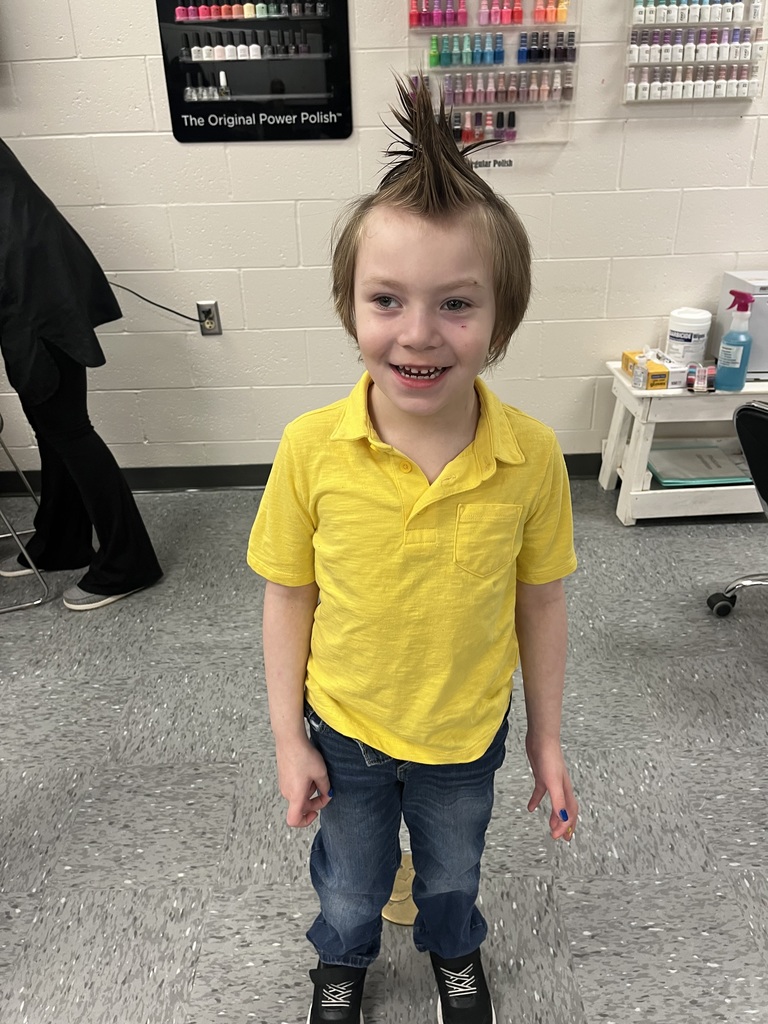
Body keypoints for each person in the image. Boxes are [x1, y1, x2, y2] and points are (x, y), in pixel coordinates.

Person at [247, 76, 579, 1024]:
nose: (419, 334)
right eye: (387, 299)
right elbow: (288, 595)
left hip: (463, 734)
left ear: (502, 319)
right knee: (350, 880)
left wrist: (547, 740)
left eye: (457, 304)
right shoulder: (311, 449)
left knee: (453, 871)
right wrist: (288, 739)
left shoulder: (531, 457)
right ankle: (342, 960)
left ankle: (455, 951)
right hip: (346, 725)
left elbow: (542, 600)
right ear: (349, 307)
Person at [0, 139, 162, 610]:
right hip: (28, 274)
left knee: (66, 426)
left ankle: (129, 562)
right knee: (51, 424)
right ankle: (61, 540)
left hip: (27, 284)